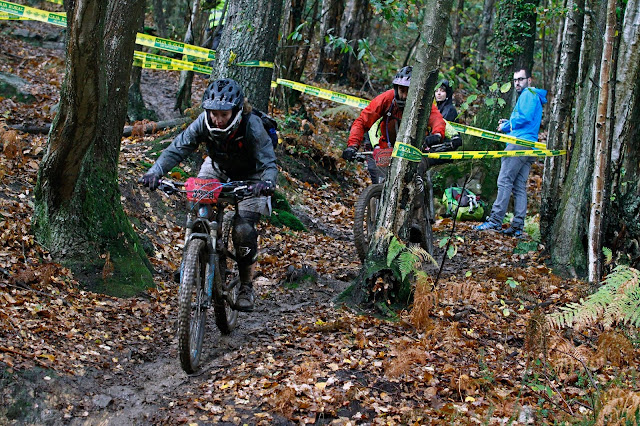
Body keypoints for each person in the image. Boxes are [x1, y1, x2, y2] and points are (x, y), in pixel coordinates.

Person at [140, 78, 277, 312]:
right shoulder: (202, 122)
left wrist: (266, 183)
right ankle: (195, 259)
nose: (218, 119)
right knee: (198, 206)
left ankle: (246, 286)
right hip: (216, 168)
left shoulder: (251, 125)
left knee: (243, 231)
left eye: (223, 114)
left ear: (236, 110)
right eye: (213, 113)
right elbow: (177, 147)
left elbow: (269, 162)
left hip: (253, 177)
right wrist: (155, 172)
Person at [342, 66, 447, 183]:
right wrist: (352, 146)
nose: (405, 96)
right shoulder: (386, 99)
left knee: (416, 178)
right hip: (388, 147)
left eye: (409, 92)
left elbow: (437, 119)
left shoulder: (423, 102)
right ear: (396, 89)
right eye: (402, 91)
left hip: (415, 149)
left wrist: (437, 135)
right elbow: (362, 121)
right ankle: (375, 197)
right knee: (378, 176)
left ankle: (420, 196)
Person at [475, 68, 547, 237]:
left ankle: (495, 221)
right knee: (518, 185)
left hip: (518, 145)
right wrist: (509, 123)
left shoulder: (529, 93)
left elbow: (525, 118)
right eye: (515, 80)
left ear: (529, 80)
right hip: (529, 145)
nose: (517, 83)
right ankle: (517, 226)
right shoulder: (532, 96)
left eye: (521, 79)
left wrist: (508, 126)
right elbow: (525, 119)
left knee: (504, 180)